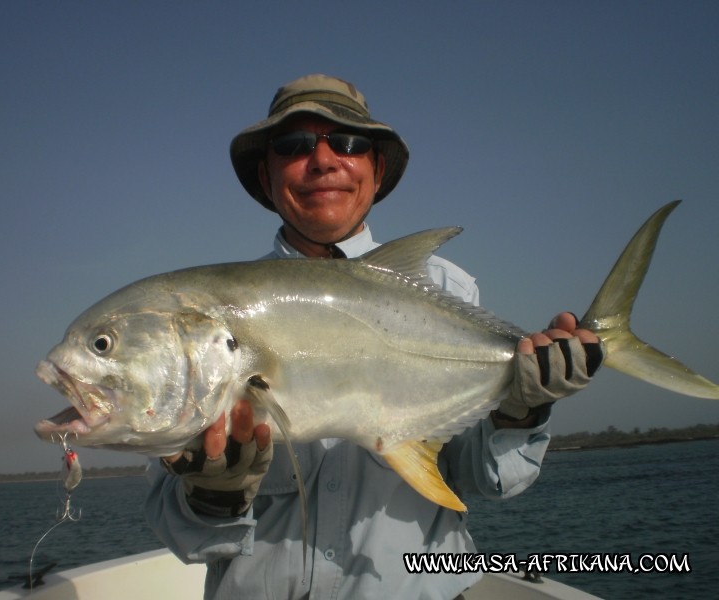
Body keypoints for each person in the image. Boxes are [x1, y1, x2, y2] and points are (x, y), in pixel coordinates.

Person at [145, 74, 602, 599]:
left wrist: (520, 409)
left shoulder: (444, 287)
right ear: (265, 176)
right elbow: (178, 531)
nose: (322, 161)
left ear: (375, 168)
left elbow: (482, 478)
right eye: (293, 146)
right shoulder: (211, 316)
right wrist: (213, 494)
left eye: (348, 142)